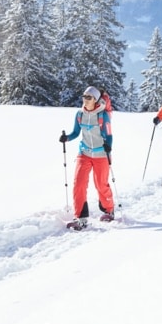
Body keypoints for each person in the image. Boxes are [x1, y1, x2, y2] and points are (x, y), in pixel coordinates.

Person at [59, 86, 114, 230]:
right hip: (84, 153)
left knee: (101, 184)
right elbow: (76, 132)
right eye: (84, 96)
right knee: (79, 184)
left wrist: (108, 146)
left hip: (101, 155)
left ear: (95, 100)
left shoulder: (103, 115)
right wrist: (67, 138)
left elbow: (109, 135)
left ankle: (109, 209)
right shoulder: (79, 114)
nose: (85, 99)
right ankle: (80, 218)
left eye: (88, 97)